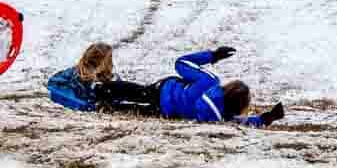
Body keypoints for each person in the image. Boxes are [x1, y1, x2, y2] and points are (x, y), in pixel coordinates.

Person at [47, 42, 286, 125]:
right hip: (162, 111)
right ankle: (97, 100)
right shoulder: (222, 116)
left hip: (159, 90)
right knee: (122, 107)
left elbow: (181, 63)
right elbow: (245, 123)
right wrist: (268, 118)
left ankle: (88, 89)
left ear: (228, 87)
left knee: (121, 90)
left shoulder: (209, 80)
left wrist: (212, 56)